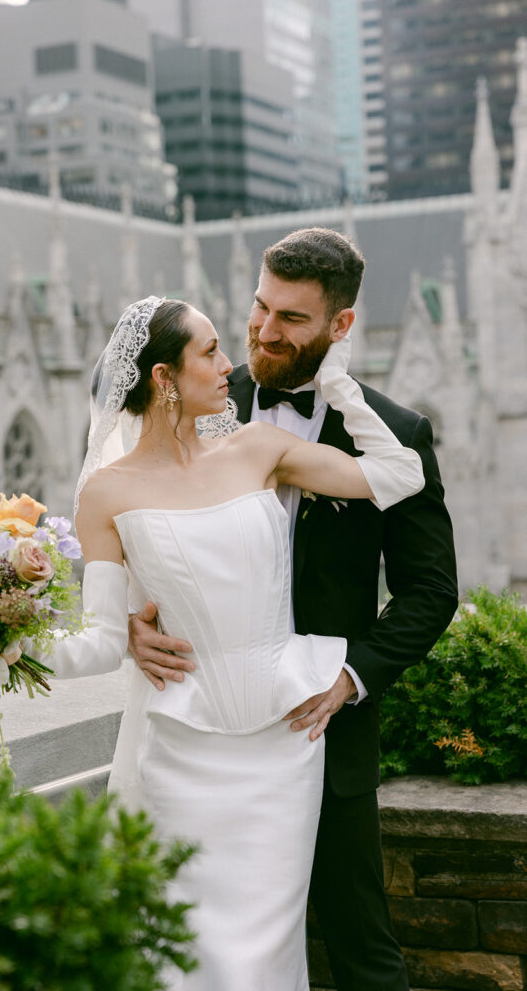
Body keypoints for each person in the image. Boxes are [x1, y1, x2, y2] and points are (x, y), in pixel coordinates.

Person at [38, 288, 425, 991]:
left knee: (265, 961)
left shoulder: (261, 449)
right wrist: (7, 644)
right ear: (164, 379)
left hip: (284, 745)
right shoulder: (106, 493)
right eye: (211, 351)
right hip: (180, 748)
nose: (230, 364)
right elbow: (98, 643)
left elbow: (402, 476)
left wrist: (337, 379)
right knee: (180, 955)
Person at [128, 229, 459, 991]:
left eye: (292, 319)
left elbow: (431, 591)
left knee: (361, 947)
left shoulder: (395, 434)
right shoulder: (195, 401)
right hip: (203, 736)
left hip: (324, 731)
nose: (264, 331)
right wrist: (132, 622)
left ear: (341, 326)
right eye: (258, 306)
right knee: (193, 943)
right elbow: (140, 529)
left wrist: (350, 678)